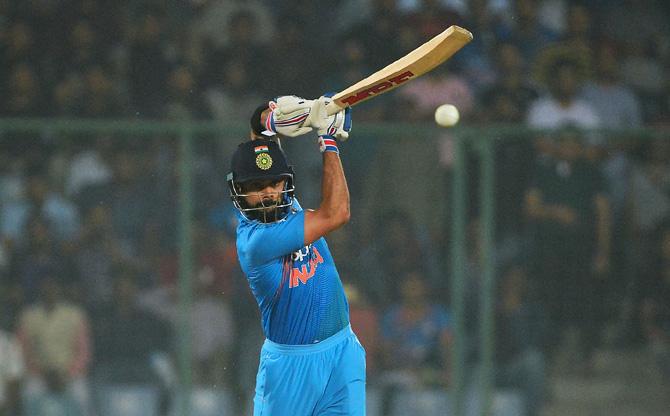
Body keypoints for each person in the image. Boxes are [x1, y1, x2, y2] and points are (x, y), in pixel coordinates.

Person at [227, 96, 365, 415]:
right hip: (290, 369)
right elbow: (337, 213)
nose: (268, 194)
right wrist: (327, 140)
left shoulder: (286, 205)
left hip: (342, 350)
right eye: (256, 186)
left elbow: (257, 130)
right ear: (238, 192)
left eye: (275, 183)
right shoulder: (255, 241)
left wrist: (272, 117)